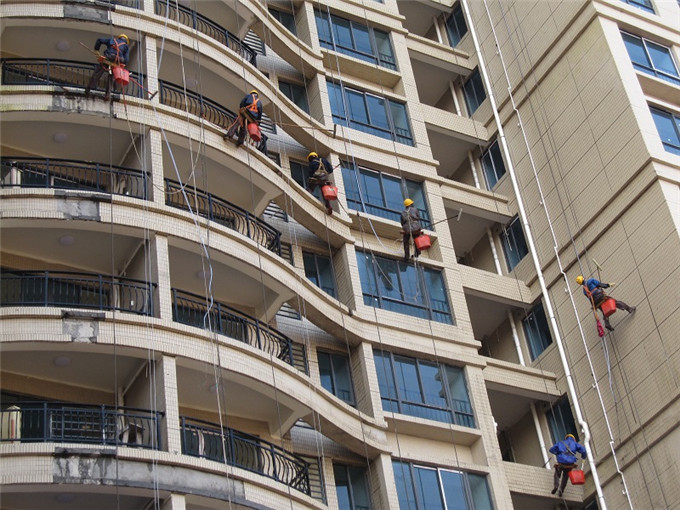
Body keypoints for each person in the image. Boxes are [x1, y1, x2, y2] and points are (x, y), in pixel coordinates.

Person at [85, 34, 130, 101]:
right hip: (118, 60)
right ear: (126, 41)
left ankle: (88, 89)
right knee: (111, 78)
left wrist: (96, 50)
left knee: (97, 73)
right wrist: (122, 64)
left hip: (109, 56)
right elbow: (126, 59)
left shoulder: (112, 40)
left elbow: (99, 40)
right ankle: (107, 95)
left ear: (119, 37)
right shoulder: (126, 46)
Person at [224, 90, 268, 154]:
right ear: (257, 95)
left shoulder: (248, 96)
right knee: (244, 127)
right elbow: (260, 113)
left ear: (251, 93)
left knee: (238, 122)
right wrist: (258, 123)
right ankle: (240, 142)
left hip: (247, 112)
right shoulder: (260, 102)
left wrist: (242, 108)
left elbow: (242, 103)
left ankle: (229, 135)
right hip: (253, 117)